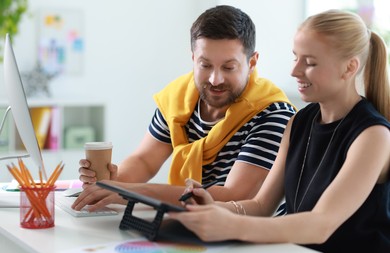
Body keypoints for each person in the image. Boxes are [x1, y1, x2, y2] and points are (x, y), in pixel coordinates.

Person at [169, 9, 390, 253]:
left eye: (310, 62)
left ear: (349, 67)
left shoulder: (373, 135)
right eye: (295, 58)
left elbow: (321, 225)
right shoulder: (298, 122)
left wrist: (230, 225)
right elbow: (262, 206)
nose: (295, 71)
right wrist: (214, 208)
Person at [72, 5, 296, 211]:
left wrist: (131, 192)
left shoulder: (273, 114)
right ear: (193, 58)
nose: (215, 79)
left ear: (252, 63)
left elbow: (232, 196)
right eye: (205, 65)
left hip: (250, 241)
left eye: (228, 67)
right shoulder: (179, 98)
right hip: (189, 224)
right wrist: (114, 179)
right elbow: (144, 160)